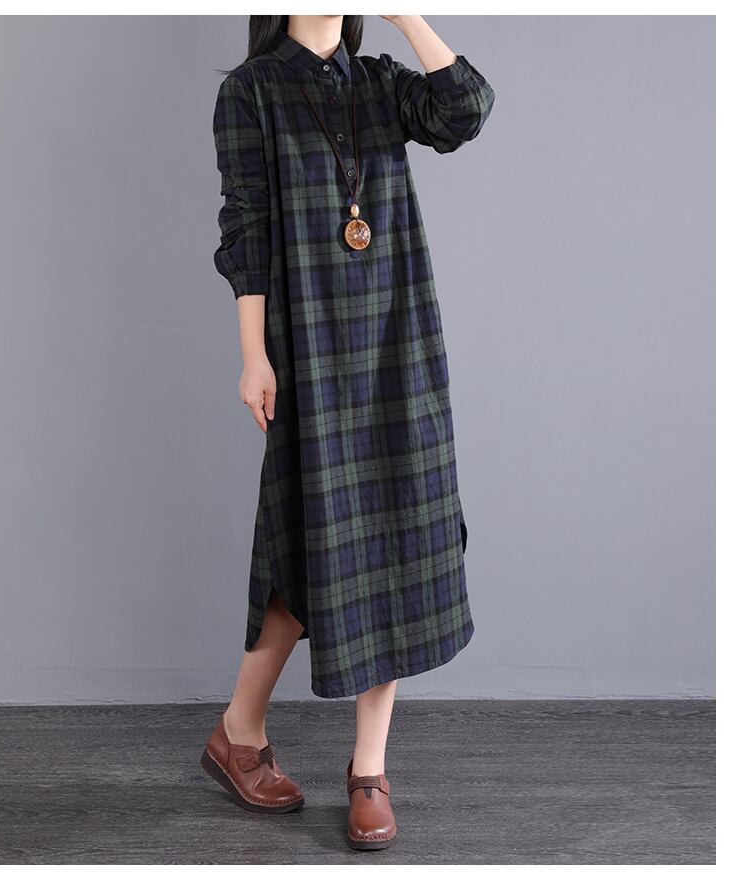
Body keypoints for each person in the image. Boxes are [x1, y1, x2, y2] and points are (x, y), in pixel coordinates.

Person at [202, 14, 494, 850]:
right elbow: (246, 227)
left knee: (400, 533)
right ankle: (239, 730)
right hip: (310, 345)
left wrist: (406, 11)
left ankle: (369, 768)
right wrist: (253, 355)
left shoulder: (382, 83)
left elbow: (466, 109)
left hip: (400, 340)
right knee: (307, 542)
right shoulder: (251, 92)